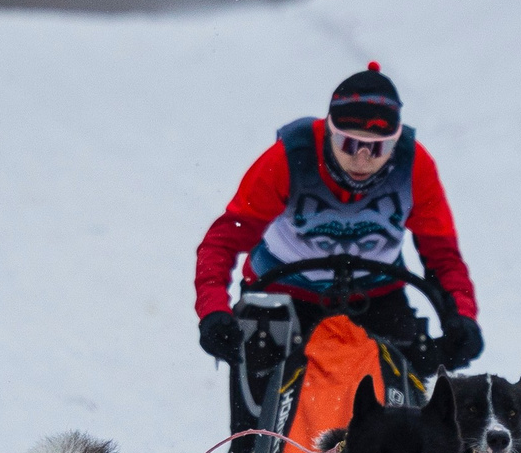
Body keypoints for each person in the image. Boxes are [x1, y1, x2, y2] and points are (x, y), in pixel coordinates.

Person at [193, 62, 482, 384]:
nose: (362, 159)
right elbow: (222, 241)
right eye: (349, 143)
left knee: (405, 392)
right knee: (261, 384)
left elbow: (442, 256)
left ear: (396, 142)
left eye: (379, 147)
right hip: (281, 291)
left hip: (376, 294)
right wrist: (213, 311)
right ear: (329, 131)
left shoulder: (415, 167)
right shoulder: (287, 160)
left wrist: (462, 316)